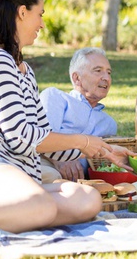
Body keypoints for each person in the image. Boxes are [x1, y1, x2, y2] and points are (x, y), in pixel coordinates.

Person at [0, 0, 135, 237]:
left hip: (20, 174)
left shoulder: (26, 71)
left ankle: (4, 210)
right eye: (40, 14)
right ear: (22, 13)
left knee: (87, 199)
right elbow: (21, 136)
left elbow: (46, 141)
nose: (43, 23)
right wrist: (83, 141)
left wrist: (102, 150)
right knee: (41, 206)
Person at [40, 47, 117, 182]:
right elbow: (41, 137)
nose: (106, 78)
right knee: (52, 177)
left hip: (81, 180)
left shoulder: (109, 124)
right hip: (45, 164)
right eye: (98, 71)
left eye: (109, 72)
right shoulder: (55, 97)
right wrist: (60, 159)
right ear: (77, 78)